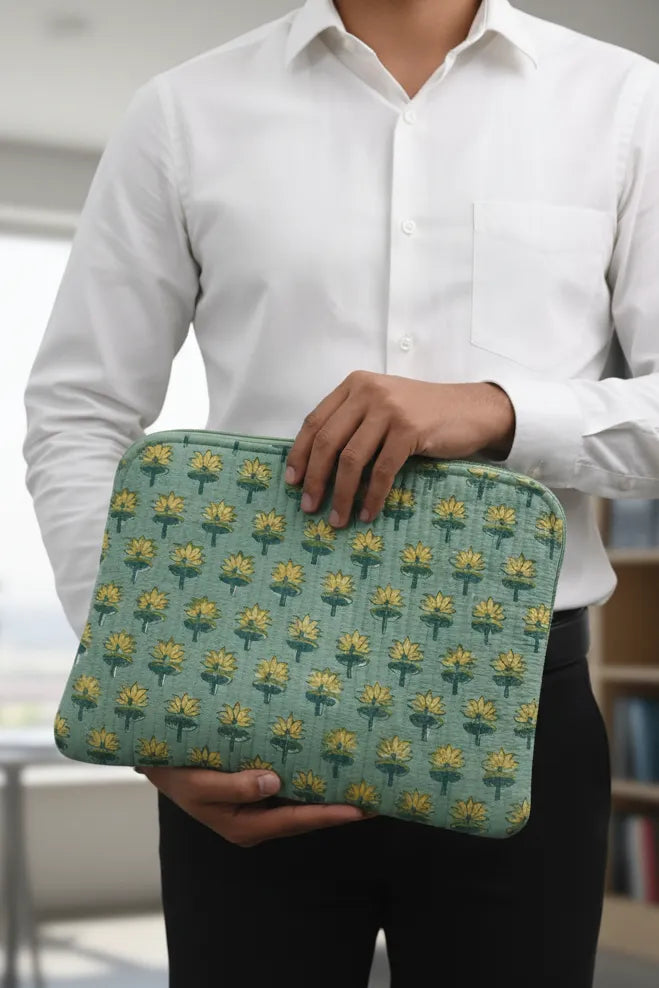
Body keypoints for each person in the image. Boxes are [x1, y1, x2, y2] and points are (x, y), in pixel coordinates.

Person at [21, 0, 659, 984]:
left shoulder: (624, 105)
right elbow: (77, 414)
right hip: (241, 701)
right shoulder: (181, 113)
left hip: (519, 713)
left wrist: (495, 410)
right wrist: (143, 689)